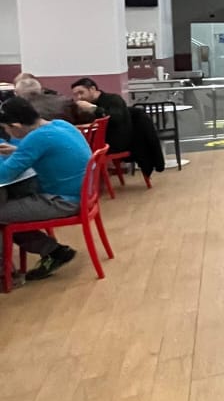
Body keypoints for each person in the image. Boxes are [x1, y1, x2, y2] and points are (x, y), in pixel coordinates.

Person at [0, 95, 92, 278]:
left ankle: (5, 272)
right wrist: (19, 151)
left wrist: (22, 151)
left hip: (64, 201)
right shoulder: (60, 124)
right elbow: (51, 149)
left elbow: (5, 174)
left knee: (2, 213)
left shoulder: (36, 139)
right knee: (10, 204)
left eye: (6, 129)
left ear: (16, 126)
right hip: (81, 193)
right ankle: (53, 251)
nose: (8, 134)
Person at [70, 76, 132, 154]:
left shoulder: (113, 99)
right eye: (75, 95)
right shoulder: (83, 105)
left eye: (81, 93)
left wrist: (93, 108)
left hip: (114, 143)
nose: (79, 97)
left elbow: (115, 118)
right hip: (94, 141)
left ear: (92, 89)